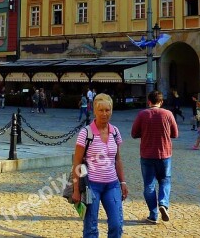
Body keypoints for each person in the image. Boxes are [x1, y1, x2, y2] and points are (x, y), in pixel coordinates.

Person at [71, 93, 126, 237]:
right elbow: (77, 162)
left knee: (117, 224)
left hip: (112, 184)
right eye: (101, 110)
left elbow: (118, 159)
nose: (104, 114)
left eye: (107, 110)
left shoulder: (115, 132)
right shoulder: (86, 133)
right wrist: (76, 189)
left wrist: (123, 182)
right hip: (91, 186)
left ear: (111, 111)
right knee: (91, 227)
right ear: (94, 111)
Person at [131, 90, 178, 224]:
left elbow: (134, 133)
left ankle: (153, 214)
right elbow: (175, 134)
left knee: (149, 185)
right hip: (164, 154)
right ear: (161, 102)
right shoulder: (168, 114)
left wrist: (145, 133)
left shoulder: (142, 114)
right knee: (165, 180)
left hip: (147, 155)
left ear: (148, 101)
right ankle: (163, 203)